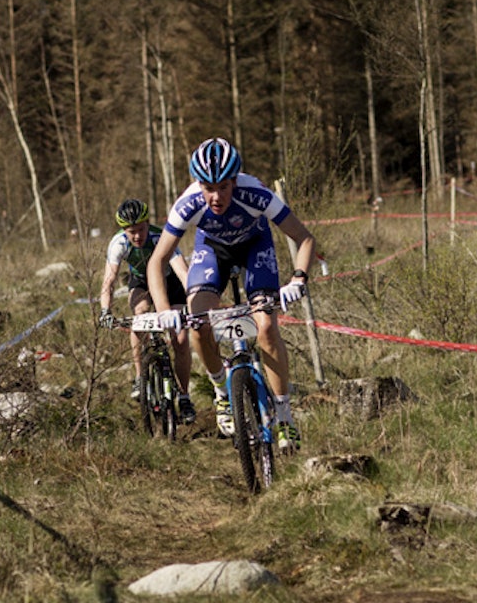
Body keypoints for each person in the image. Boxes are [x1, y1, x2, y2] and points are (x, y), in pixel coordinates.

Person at [147, 137, 315, 450]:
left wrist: (298, 280)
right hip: (213, 252)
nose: (216, 196)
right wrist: (163, 309)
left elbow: (304, 238)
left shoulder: (256, 194)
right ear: (198, 184)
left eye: (223, 187)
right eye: (208, 188)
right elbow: (157, 261)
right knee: (199, 323)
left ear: (235, 181)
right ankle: (222, 394)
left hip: (255, 247)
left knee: (265, 328)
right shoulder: (188, 204)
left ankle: (284, 418)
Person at [99, 198, 197, 422]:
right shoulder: (118, 244)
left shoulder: (161, 237)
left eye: (141, 229)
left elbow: (182, 272)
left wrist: (193, 302)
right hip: (141, 282)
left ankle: (184, 396)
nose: (137, 236)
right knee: (139, 315)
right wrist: (106, 310)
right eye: (131, 232)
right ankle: (139, 377)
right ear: (124, 230)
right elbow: (110, 280)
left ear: (147, 224)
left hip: (169, 283)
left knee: (180, 340)